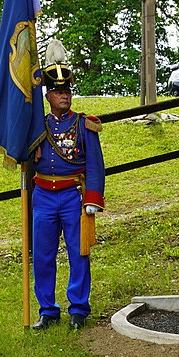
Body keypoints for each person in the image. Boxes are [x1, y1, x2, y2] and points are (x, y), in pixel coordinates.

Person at [31, 50, 105, 330]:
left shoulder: (83, 124)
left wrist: (92, 198)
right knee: (43, 255)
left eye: (67, 91)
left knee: (78, 253)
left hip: (73, 196)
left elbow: (96, 165)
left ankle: (78, 308)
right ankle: (47, 310)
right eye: (58, 91)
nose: (64, 96)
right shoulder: (38, 125)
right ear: (48, 96)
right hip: (43, 197)